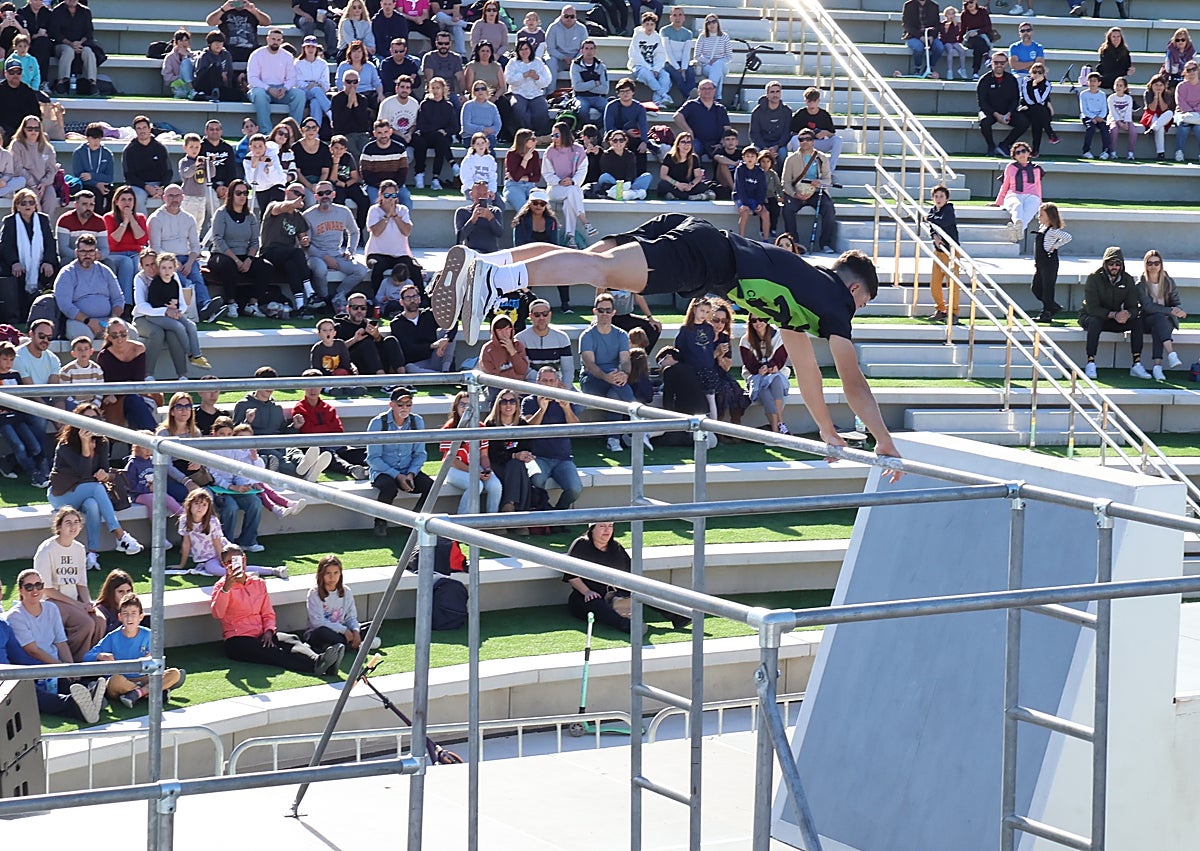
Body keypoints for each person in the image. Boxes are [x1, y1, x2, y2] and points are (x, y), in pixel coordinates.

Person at [431, 214, 903, 468]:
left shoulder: (804, 296)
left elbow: (805, 372)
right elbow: (851, 380)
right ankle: (493, 276)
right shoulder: (836, 302)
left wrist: (824, 429)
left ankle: (478, 260)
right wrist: (883, 440)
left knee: (584, 258)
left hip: (694, 231)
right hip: (708, 257)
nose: (852, 316)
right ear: (856, 291)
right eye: (860, 307)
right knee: (602, 273)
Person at [211, 545, 343, 676]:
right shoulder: (220, 587)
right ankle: (315, 665)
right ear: (224, 564)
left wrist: (269, 630)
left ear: (244, 559)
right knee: (272, 652)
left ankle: (322, 661)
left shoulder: (258, 583)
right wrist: (226, 589)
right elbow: (218, 613)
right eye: (229, 562)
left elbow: (267, 612)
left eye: (238, 560)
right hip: (238, 639)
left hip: (261, 634)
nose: (235, 565)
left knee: (291, 639)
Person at [47, 402, 144, 570]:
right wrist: (85, 445)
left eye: (94, 418)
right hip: (61, 494)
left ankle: (92, 554)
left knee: (92, 505)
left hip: (86, 493)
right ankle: (120, 535)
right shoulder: (65, 445)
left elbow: (104, 468)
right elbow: (84, 473)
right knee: (96, 489)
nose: (91, 421)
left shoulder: (101, 442)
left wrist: (105, 475)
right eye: (86, 418)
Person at [5, 568, 107, 723]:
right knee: (46, 695)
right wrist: (61, 667)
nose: (35, 590)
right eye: (29, 587)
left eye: (39, 585)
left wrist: (70, 668)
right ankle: (84, 700)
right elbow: (33, 651)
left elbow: (60, 641)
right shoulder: (15, 616)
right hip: (35, 669)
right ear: (20, 590)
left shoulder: (51, 608)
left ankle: (87, 696)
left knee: (73, 680)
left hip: (55, 665)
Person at [564, 522, 688, 633]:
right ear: (592, 529)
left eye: (610, 526)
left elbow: (630, 574)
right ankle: (628, 626)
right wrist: (587, 592)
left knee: (642, 590)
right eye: (602, 526)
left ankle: (678, 615)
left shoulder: (616, 547)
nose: (607, 530)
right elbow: (571, 576)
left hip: (616, 594)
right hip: (586, 596)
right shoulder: (581, 544)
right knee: (596, 603)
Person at [83, 592, 185, 710]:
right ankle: (151, 691)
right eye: (125, 614)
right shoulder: (112, 637)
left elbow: (158, 660)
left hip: (144, 677)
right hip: (123, 680)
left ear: (140, 617)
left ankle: (138, 693)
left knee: (174, 673)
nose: (129, 618)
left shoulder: (148, 634)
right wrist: (101, 655)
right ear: (120, 617)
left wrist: (149, 658)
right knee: (114, 681)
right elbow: (87, 657)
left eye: (133, 614)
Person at [33, 504, 104, 660]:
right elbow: (47, 590)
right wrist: (78, 605)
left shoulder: (79, 548)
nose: (73, 526)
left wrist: (88, 603)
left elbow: (81, 584)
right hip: (52, 601)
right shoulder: (47, 550)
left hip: (73, 600)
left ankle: (92, 660)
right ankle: (76, 664)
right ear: (59, 526)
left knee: (99, 620)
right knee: (85, 623)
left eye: (76, 522)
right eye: (68, 522)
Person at [366, 388, 432, 536]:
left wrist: (410, 473)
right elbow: (373, 458)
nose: (405, 408)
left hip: (408, 470)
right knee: (389, 488)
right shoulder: (377, 423)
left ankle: (415, 521)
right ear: (392, 405)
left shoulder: (417, 421)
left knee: (431, 486)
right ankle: (380, 522)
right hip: (383, 471)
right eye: (400, 404)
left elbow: (420, 454)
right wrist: (397, 476)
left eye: (408, 404)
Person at [148, 184, 218, 318]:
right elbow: (155, 247)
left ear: (183, 198)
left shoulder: (189, 218)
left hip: (187, 259)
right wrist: (173, 263)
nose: (174, 199)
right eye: (171, 196)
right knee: (184, 282)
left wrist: (190, 262)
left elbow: (195, 246)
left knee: (197, 278)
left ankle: (206, 305)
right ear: (164, 198)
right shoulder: (156, 218)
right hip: (165, 261)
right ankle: (194, 310)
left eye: (177, 196)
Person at [1079, 247, 1148, 381]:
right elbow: (1092, 307)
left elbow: (1134, 306)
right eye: (1111, 264)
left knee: (1138, 321)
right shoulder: (1094, 278)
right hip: (1093, 316)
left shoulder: (1127, 279)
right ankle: (1090, 362)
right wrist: (1113, 314)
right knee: (1095, 321)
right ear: (1105, 264)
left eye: (1117, 264)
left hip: (1115, 318)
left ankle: (1137, 363)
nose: (1114, 267)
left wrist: (1127, 314)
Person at [520, 365, 583, 513]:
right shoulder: (529, 401)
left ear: (557, 382)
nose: (548, 384)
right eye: (544, 380)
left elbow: (576, 428)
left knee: (575, 489)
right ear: (537, 382)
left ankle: (559, 514)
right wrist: (541, 409)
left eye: (551, 380)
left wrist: (566, 409)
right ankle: (541, 512)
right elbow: (527, 429)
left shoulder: (565, 400)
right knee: (537, 480)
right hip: (537, 457)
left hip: (563, 458)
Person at [304, 180, 368, 306]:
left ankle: (339, 295)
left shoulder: (344, 211)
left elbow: (354, 232)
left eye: (328, 192)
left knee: (361, 270)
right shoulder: (308, 215)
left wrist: (350, 250)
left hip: (337, 255)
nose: (325, 196)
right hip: (315, 256)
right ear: (316, 197)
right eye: (321, 193)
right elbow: (306, 245)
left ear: (333, 194)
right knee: (321, 269)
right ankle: (323, 298)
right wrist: (325, 257)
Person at [439, 389, 502, 514]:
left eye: (469, 405)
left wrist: (487, 469)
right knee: (476, 485)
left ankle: (492, 521)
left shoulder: (481, 427)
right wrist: (475, 473)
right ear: (456, 407)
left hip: (475, 467)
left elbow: (484, 455)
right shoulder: (449, 428)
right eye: (462, 404)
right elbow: (451, 460)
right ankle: (462, 520)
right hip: (452, 469)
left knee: (495, 485)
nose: (466, 408)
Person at [0, 186, 58, 319]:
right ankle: (17, 317)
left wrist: (48, 261)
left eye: (31, 202)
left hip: (40, 264)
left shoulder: (43, 220)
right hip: (17, 265)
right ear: (17, 205)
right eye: (23, 203)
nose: (28, 206)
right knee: (14, 275)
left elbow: (50, 243)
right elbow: (5, 246)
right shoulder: (10, 221)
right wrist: (14, 262)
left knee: (51, 270)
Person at [53, 233, 123, 340]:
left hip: (107, 321)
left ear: (96, 252)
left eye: (91, 251)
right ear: (76, 252)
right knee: (85, 338)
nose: (87, 255)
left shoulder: (105, 271)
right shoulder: (67, 273)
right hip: (79, 321)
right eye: (83, 251)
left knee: (130, 333)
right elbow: (65, 305)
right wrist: (88, 321)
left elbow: (118, 299)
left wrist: (113, 320)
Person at [260, 183, 316, 314]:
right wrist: (292, 204)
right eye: (296, 193)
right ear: (287, 192)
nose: (299, 198)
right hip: (270, 253)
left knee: (292, 265)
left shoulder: (298, 217)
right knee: (296, 253)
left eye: (302, 195)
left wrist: (305, 241)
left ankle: (300, 305)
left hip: (288, 255)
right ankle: (310, 292)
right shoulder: (273, 206)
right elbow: (279, 208)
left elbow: (303, 239)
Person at [0, 339, 49, 483]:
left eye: (11, 359)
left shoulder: (15, 375)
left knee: (34, 447)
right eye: (4, 359)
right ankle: (34, 474)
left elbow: (22, 396)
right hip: (2, 419)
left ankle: (6, 462)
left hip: (17, 417)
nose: (8, 363)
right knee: (19, 446)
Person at [781, 129, 838, 254]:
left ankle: (825, 243)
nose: (805, 142)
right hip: (797, 192)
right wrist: (794, 194)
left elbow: (827, 179)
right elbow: (785, 182)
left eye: (808, 139)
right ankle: (794, 243)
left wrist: (819, 182)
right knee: (788, 209)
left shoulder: (821, 158)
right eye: (801, 139)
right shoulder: (791, 159)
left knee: (828, 208)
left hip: (816, 192)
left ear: (813, 141)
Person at [483, 389, 533, 528]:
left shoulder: (522, 424)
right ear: (498, 405)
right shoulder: (490, 424)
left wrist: (526, 455)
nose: (508, 405)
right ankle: (520, 517)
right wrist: (514, 455)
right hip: (496, 465)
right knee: (516, 466)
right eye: (504, 401)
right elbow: (492, 454)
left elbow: (528, 447)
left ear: (517, 405)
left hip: (516, 466)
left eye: (512, 401)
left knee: (517, 466)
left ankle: (509, 506)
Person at [96, 317, 158, 428]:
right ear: (109, 337)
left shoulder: (138, 348)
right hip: (114, 399)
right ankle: (155, 435)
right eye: (115, 335)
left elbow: (138, 381)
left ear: (127, 333)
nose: (119, 338)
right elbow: (106, 384)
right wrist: (118, 393)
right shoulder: (104, 356)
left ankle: (144, 439)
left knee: (134, 402)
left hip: (131, 394)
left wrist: (119, 393)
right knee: (134, 402)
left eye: (123, 334)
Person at [306, 555, 376, 652]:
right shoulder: (314, 593)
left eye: (336, 573)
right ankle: (349, 645)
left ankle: (343, 645)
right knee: (322, 632)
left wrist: (355, 632)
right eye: (328, 573)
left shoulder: (346, 591)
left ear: (340, 574)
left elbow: (351, 617)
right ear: (321, 574)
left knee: (373, 625)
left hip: (342, 631)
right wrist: (344, 630)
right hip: (322, 633)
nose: (332, 577)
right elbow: (317, 622)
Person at [1136, 250, 1186, 381]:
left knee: (1160, 325)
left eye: (1156, 263)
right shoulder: (1141, 284)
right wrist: (1170, 311)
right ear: (1145, 265)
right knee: (1159, 317)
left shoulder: (1169, 282)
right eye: (1150, 263)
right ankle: (1171, 354)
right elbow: (1148, 307)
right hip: (1147, 319)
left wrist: (1178, 310)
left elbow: (1176, 303)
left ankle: (1157, 367)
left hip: (1164, 321)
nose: (1153, 266)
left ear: (1161, 265)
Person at [544, 121, 597, 242]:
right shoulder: (550, 151)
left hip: (572, 187)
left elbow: (582, 170)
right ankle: (584, 221)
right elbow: (547, 173)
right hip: (554, 188)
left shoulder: (578, 149)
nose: (554, 138)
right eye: (552, 135)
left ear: (564, 135)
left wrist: (572, 181)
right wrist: (559, 181)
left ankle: (570, 237)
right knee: (573, 192)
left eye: (556, 135)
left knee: (570, 201)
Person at [738, 316, 792, 434]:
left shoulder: (778, 336)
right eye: (754, 321)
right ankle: (778, 427)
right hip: (755, 377)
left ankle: (778, 426)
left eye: (761, 319)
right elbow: (749, 365)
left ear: (767, 320)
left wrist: (771, 367)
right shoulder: (745, 340)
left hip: (776, 375)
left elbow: (780, 360)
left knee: (776, 380)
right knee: (764, 390)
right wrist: (759, 370)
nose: (758, 323)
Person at [364, 177, 414, 295]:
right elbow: (376, 232)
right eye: (387, 195)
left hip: (399, 254)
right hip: (377, 253)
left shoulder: (403, 210)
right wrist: (387, 216)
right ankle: (377, 298)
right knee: (378, 267)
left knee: (413, 268)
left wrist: (395, 216)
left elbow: (406, 231)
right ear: (380, 195)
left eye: (393, 195)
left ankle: (421, 299)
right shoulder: (374, 210)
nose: (390, 199)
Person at [338, 290, 406, 376]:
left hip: (375, 361)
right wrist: (354, 340)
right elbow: (336, 349)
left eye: (363, 308)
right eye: (355, 308)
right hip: (356, 364)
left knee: (390, 340)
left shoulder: (369, 324)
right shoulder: (340, 326)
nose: (359, 311)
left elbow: (381, 345)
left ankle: (403, 378)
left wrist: (376, 336)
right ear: (348, 309)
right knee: (367, 343)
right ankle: (382, 380)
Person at [390, 280, 454, 372]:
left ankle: (445, 371)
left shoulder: (429, 314)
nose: (412, 300)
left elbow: (452, 322)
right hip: (417, 363)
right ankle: (443, 378)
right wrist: (432, 345)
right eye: (408, 298)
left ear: (419, 299)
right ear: (401, 302)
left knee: (448, 333)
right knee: (410, 368)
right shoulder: (397, 323)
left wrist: (447, 339)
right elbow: (408, 349)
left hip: (437, 356)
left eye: (415, 297)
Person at [411, 76, 459, 190]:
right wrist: (438, 130)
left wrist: (445, 131)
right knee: (421, 141)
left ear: (443, 89)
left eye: (438, 87)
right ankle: (451, 165)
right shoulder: (425, 104)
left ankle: (435, 179)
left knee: (441, 141)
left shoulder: (448, 106)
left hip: (442, 137)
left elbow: (454, 127)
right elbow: (421, 125)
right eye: (433, 88)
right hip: (426, 135)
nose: (436, 90)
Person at [977, 50, 1028, 158]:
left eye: (1002, 62)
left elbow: (1015, 99)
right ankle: (991, 147)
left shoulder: (1011, 79)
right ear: (991, 63)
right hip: (990, 112)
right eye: (996, 62)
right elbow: (982, 102)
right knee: (984, 121)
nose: (999, 65)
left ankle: (1005, 145)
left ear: (1006, 63)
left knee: (1024, 122)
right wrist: (996, 115)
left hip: (1007, 111)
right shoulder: (984, 80)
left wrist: (1009, 113)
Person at [10, 113, 58, 222]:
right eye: (30, 128)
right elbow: (18, 168)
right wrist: (33, 184)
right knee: (33, 200)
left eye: (36, 129)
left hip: (45, 184)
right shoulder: (17, 145)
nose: (33, 132)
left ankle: (46, 227)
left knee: (51, 197)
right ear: (23, 130)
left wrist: (45, 183)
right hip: (26, 183)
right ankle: (35, 226)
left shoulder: (48, 148)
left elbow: (52, 169)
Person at [991, 140, 1041, 244]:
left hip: (1032, 195)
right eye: (1017, 153)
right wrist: (998, 202)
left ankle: (1016, 230)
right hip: (1014, 194)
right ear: (1014, 156)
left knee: (1031, 208)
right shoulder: (1011, 167)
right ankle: (1018, 226)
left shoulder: (1036, 168)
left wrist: (1040, 201)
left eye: (1023, 151)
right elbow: (1005, 185)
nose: (1021, 154)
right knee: (1017, 205)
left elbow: (1038, 186)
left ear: (1028, 153)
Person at [122, 116, 172, 215]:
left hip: (158, 184)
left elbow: (168, 171)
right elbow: (129, 175)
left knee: (172, 196)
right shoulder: (129, 150)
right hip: (138, 186)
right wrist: (146, 187)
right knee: (137, 198)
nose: (142, 131)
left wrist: (162, 187)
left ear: (149, 129)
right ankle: (142, 227)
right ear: (135, 131)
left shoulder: (160, 148)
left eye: (144, 127)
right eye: (139, 128)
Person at [925, 184, 959, 323]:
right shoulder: (933, 211)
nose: (939, 199)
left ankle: (954, 312)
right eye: (936, 196)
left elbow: (944, 222)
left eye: (941, 196)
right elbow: (932, 228)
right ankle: (941, 309)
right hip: (939, 251)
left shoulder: (948, 209)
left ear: (947, 198)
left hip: (951, 252)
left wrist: (929, 219)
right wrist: (934, 236)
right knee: (935, 283)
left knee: (953, 283)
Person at [1031, 202, 1071, 323]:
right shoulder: (1042, 229)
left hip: (1049, 263)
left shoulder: (1053, 231)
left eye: (1041, 215)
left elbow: (1068, 237)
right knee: (1036, 288)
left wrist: (1055, 246)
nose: (1039, 217)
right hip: (1041, 264)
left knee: (1048, 288)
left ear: (1050, 216)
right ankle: (1053, 306)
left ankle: (1047, 313)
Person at [790, 88, 844, 175]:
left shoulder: (824, 115)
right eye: (809, 101)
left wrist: (825, 133)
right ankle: (801, 167)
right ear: (805, 100)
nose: (812, 103)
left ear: (818, 101)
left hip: (819, 142)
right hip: (805, 143)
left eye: (814, 101)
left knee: (838, 140)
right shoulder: (800, 114)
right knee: (794, 139)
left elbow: (832, 134)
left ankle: (829, 170)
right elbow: (793, 132)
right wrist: (805, 135)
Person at [516, 298, 573, 380]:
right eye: (537, 315)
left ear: (550, 314)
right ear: (530, 316)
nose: (541, 318)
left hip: (556, 382)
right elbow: (524, 369)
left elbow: (568, 370)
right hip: (531, 382)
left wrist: (566, 386)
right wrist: (545, 380)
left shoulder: (562, 337)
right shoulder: (520, 338)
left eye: (545, 314)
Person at [505, 39, 552, 137]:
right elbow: (509, 79)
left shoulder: (538, 62)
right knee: (519, 109)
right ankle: (524, 135)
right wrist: (524, 75)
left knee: (541, 109)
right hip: (518, 93)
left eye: (526, 49)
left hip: (536, 93)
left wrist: (537, 77)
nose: (524, 51)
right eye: (521, 49)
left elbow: (546, 81)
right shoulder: (513, 63)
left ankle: (540, 135)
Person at [603, 78, 651, 175]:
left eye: (628, 91)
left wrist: (644, 141)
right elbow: (609, 128)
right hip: (614, 138)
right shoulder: (611, 106)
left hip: (632, 138)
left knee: (641, 149)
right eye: (622, 91)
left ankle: (639, 180)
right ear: (618, 93)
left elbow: (643, 126)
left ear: (633, 92)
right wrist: (625, 132)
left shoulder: (639, 108)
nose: (625, 93)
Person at [50, 0, 98, 94]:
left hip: (81, 44)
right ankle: (61, 82)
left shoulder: (85, 11)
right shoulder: (57, 11)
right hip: (62, 45)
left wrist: (79, 43)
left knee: (88, 51)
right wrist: (70, 44)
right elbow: (55, 33)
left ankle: (92, 83)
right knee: (68, 51)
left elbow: (89, 32)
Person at [628, 12, 671, 107]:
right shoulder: (637, 36)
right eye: (647, 24)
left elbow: (660, 55)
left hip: (654, 66)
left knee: (665, 76)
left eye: (652, 24)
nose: (649, 27)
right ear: (643, 25)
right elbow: (635, 55)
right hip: (639, 66)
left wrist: (656, 69)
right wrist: (649, 68)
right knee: (646, 74)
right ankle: (663, 95)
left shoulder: (657, 37)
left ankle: (658, 102)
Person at [656, 131, 714, 200]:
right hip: (674, 185)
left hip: (688, 186)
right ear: (677, 144)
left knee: (703, 186)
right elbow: (663, 175)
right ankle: (690, 197)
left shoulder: (694, 158)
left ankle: (676, 196)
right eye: (683, 142)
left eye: (689, 142)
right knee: (662, 185)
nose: (686, 145)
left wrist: (691, 185)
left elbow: (698, 177)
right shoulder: (669, 157)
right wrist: (677, 184)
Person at [69, 127, 113, 215]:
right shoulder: (79, 152)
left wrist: (91, 175)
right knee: (96, 195)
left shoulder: (107, 153)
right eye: (93, 138)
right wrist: (96, 184)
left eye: (98, 138)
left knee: (114, 195)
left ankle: (109, 221)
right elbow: (80, 175)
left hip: (103, 184)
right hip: (87, 185)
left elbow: (109, 177)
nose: (96, 141)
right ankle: (97, 223)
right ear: (88, 138)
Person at [1020, 61, 1058, 156]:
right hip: (1027, 108)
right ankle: (1051, 134)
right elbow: (1027, 99)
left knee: (1037, 120)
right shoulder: (1026, 81)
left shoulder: (1047, 84)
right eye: (1034, 72)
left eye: (1040, 72)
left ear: (1044, 74)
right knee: (1039, 111)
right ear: (1031, 73)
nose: (1037, 74)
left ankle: (1035, 150)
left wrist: (1035, 87)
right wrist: (1034, 86)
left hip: (1040, 111)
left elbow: (1040, 100)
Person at [455, 180, 504, 253]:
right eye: (478, 194)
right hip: (472, 252)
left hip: (491, 253)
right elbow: (460, 237)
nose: (481, 197)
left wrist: (490, 218)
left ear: (488, 195)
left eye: (484, 194)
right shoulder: (462, 212)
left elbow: (500, 233)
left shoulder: (495, 211)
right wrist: (472, 219)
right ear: (471, 195)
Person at [544, 5, 586, 90]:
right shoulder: (553, 27)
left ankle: (580, 94)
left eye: (572, 16)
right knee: (550, 61)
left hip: (576, 58)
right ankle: (550, 94)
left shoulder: (582, 28)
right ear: (561, 16)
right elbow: (550, 49)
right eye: (566, 16)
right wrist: (563, 57)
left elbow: (584, 48)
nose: (569, 19)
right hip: (558, 58)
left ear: (575, 17)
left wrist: (575, 59)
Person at [733, 145, 770, 241]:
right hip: (740, 197)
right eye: (747, 156)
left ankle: (766, 239)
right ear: (743, 158)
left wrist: (759, 203)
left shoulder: (760, 172)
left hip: (754, 197)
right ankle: (741, 238)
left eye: (752, 156)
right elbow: (739, 187)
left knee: (765, 213)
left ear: (757, 158)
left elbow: (762, 189)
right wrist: (744, 203)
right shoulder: (740, 169)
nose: (750, 158)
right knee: (744, 212)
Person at [694, 13, 733, 100]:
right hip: (707, 66)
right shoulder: (702, 37)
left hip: (722, 65)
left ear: (717, 23)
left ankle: (711, 88)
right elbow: (697, 56)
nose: (711, 24)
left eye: (714, 22)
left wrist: (717, 61)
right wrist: (708, 61)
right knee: (717, 72)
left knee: (718, 64)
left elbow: (729, 57)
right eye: (709, 22)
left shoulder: (724, 37)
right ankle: (717, 96)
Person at [0, 55, 38, 144]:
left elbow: (36, 115)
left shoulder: (28, 92)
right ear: (5, 73)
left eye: (18, 72)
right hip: (3, 129)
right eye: (12, 72)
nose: (15, 75)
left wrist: (29, 129)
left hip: (24, 130)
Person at [194, 30, 239, 103]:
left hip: (221, 85)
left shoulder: (226, 55)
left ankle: (213, 94)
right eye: (216, 43)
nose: (218, 45)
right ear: (210, 44)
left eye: (220, 43)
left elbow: (230, 72)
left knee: (238, 95)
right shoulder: (204, 56)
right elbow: (200, 74)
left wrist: (227, 82)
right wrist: (219, 73)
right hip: (206, 85)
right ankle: (211, 93)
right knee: (216, 66)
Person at [751, 81, 791, 162]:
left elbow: (787, 133)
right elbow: (754, 133)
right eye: (772, 92)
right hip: (761, 144)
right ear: (767, 95)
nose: (775, 94)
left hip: (779, 144)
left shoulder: (787, 111)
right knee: (753, 153)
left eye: (777, 91)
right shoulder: (757, 112)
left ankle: (780, 175)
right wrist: (765, 148)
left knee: (783, 154)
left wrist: (776, 147)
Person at [421, 30, 464, 105]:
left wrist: (462, 94)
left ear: (450, 44)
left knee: (459, 105)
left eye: (446, 43)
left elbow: (460, 78)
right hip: (433, 92)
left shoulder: (456, 58)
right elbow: (429, 79)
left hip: (451, 92)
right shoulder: (429, 57)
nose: (443, 46)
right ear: (436, 43)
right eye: (440, 43)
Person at [503, 129, 541, 213]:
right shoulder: (511, 154)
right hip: (513, 186)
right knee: (523, 207)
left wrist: (523, 178)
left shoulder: (535, 154)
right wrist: (525, 160)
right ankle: (523, 225)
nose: (535, 141)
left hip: (530, 185)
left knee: (540, 201)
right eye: (533, 139)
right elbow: (516, 178)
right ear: (524, 141)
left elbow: (537, 177)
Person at [570, 39, 608, 123]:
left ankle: (596, 128)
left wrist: (584, 85)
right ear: (581, 51)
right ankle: (584, 130)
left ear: (595, 51)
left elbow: (605, 89)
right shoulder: (575, 65)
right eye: (586, 48)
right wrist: (595, 83)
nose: (589, 51)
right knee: (582, 109)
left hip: (597, 97)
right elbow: (577, 87)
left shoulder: (601, 66)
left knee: (609, 108)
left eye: (591, 48)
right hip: (580, 97)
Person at [902, 0, 943, 77]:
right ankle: (918, 68)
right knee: (918, 47)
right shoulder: (908, 5)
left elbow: (937, 24)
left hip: (930, 35)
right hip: (913, 35)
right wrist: (920, 36)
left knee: (939, 47)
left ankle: (929, 67)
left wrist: (932, 36)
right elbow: (906, 24)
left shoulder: (934, 5)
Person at [1080, 71, 1113, 160]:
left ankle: (1105, 151)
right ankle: (1086, 151)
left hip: (1100, 117)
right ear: (1087, 82)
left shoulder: (1102, 94)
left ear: (1099, 83)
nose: (1092, 83)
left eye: (1095, 81)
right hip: (1087, 116)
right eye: (1090, 81)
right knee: (1091, 128)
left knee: (1105, 128)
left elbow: (1104, 109)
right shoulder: (1083, 94)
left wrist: (1099, 118)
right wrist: (1093, 117)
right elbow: (1084, 110)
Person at [1142, 74, 1176, 162]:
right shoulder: (1148, 93)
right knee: (1159, 126)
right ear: (1151, 85)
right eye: (1156, 85)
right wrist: (1155, 97)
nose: (1158, 87)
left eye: (1161, 85)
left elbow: (1164, 108)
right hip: (1151, 114)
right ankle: (1161, 153)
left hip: (1163, 115)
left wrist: (1160, 96)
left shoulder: (1167, 94)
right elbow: (1151, 108)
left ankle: (1153, 128)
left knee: (1170, 113)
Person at [461, 81, 502, 151]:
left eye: (483, 88)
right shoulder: (468, 105)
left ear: (487, 91)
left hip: (488, 137)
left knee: (490, 143)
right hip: (470, 137)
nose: (480, 91)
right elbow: (466, 126)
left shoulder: (493, 107)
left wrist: (487, 132)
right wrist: (483, 130)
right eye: (477, 89)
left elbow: (497, 125)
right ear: (473, 92)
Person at [93, 569, 134, 634]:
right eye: (121, 591)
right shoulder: (102, 611)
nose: (125, 595)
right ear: (111, 592)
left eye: (128, 591)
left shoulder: (134, 608)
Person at [959, 0, 993, 79]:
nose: (969, 5)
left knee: (978, 47)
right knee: (977, 41)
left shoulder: (983, 11)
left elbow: (988, 27)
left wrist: (978, 32)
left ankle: (975, 73)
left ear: (975, 1)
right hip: (970, 38)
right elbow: (963, 29)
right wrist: (959, 41)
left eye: (971, 2)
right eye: (966, 3)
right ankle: (986, 57)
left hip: (983, 36)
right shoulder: (964, 14)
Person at [1175, 61, 1200, 162]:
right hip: (1182, 114)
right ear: (1185, 72)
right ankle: (1179, 151)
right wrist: (1191, 112)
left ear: (1198, 70)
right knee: (1183, 124)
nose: (1192, 72)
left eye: (1194, 69)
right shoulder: (1181, 86)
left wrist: (1195, 112)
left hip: (1198, 115)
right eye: (1189, 70)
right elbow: (1180, 103)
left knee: (1199, 128)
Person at [1108, 76, 1137, 161]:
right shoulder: (1111, 98)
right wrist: (1119, 122)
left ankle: (1130, 153)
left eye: (1121, 85)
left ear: (1125, 88)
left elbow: (1128, 112)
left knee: (1133, 131)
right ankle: (1112, 152)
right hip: (1114, 119)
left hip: (1126, 119)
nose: (1118, 87)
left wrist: (1126, 123)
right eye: (1117, 85)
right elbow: (1112, 111)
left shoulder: (1128, 98)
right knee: (1114, 129)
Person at [1096, 26, 1134, 90]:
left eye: (1118, 37)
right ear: (1109, 38)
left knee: (1121, 85)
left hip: (1118, 79)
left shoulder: (1125, 51)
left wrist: (1129, 70)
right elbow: (1109, 69)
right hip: (1107, 79)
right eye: (1113, 37)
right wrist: (1125, 72)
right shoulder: (1105, 51)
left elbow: (1127, 66)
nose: (1116, 39)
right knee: (1118, 85)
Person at [941, 6, 967, 81]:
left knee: (962, 50)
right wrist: (946, 27)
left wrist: (955, 25)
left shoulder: (955, 24)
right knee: (950, 50)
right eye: (949, 14)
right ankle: (949, 70)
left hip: (954, 41)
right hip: (946, 42)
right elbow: (944, 35)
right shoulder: (943, 24)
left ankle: (962, 69)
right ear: (945, 15)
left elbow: (957, 34)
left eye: (953, 14)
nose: (951, 16)